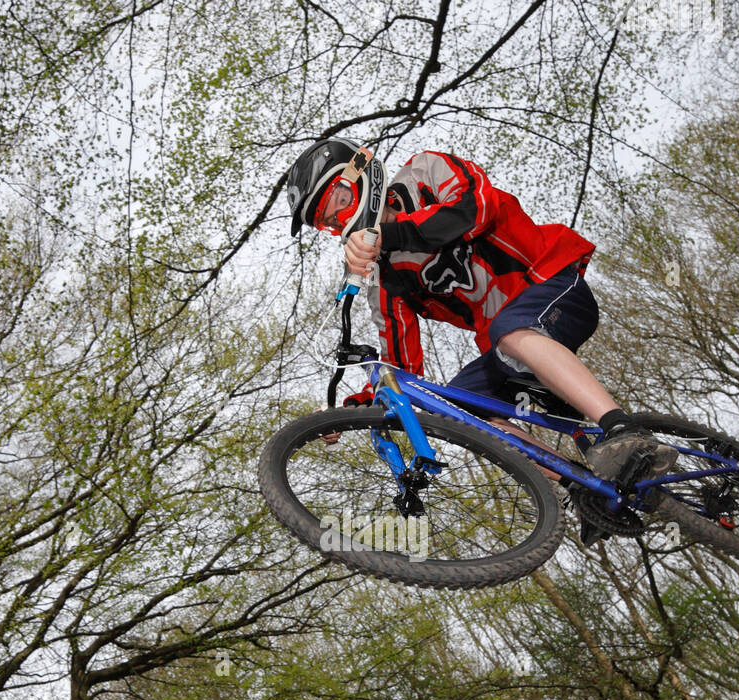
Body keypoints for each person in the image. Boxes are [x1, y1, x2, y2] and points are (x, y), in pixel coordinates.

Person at [285, 138, 676, 543]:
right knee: (455, 409)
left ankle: (622, 429)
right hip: (510, 348)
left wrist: (389, 234)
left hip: (551, 280)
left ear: (362, 171)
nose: (341, 222)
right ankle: (581, 487)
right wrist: (349, 413)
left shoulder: (424, 173)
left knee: (509, 331)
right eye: (329, 222)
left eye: (340, 201)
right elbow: (402, 370)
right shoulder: (386, 280)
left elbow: (477, 207)